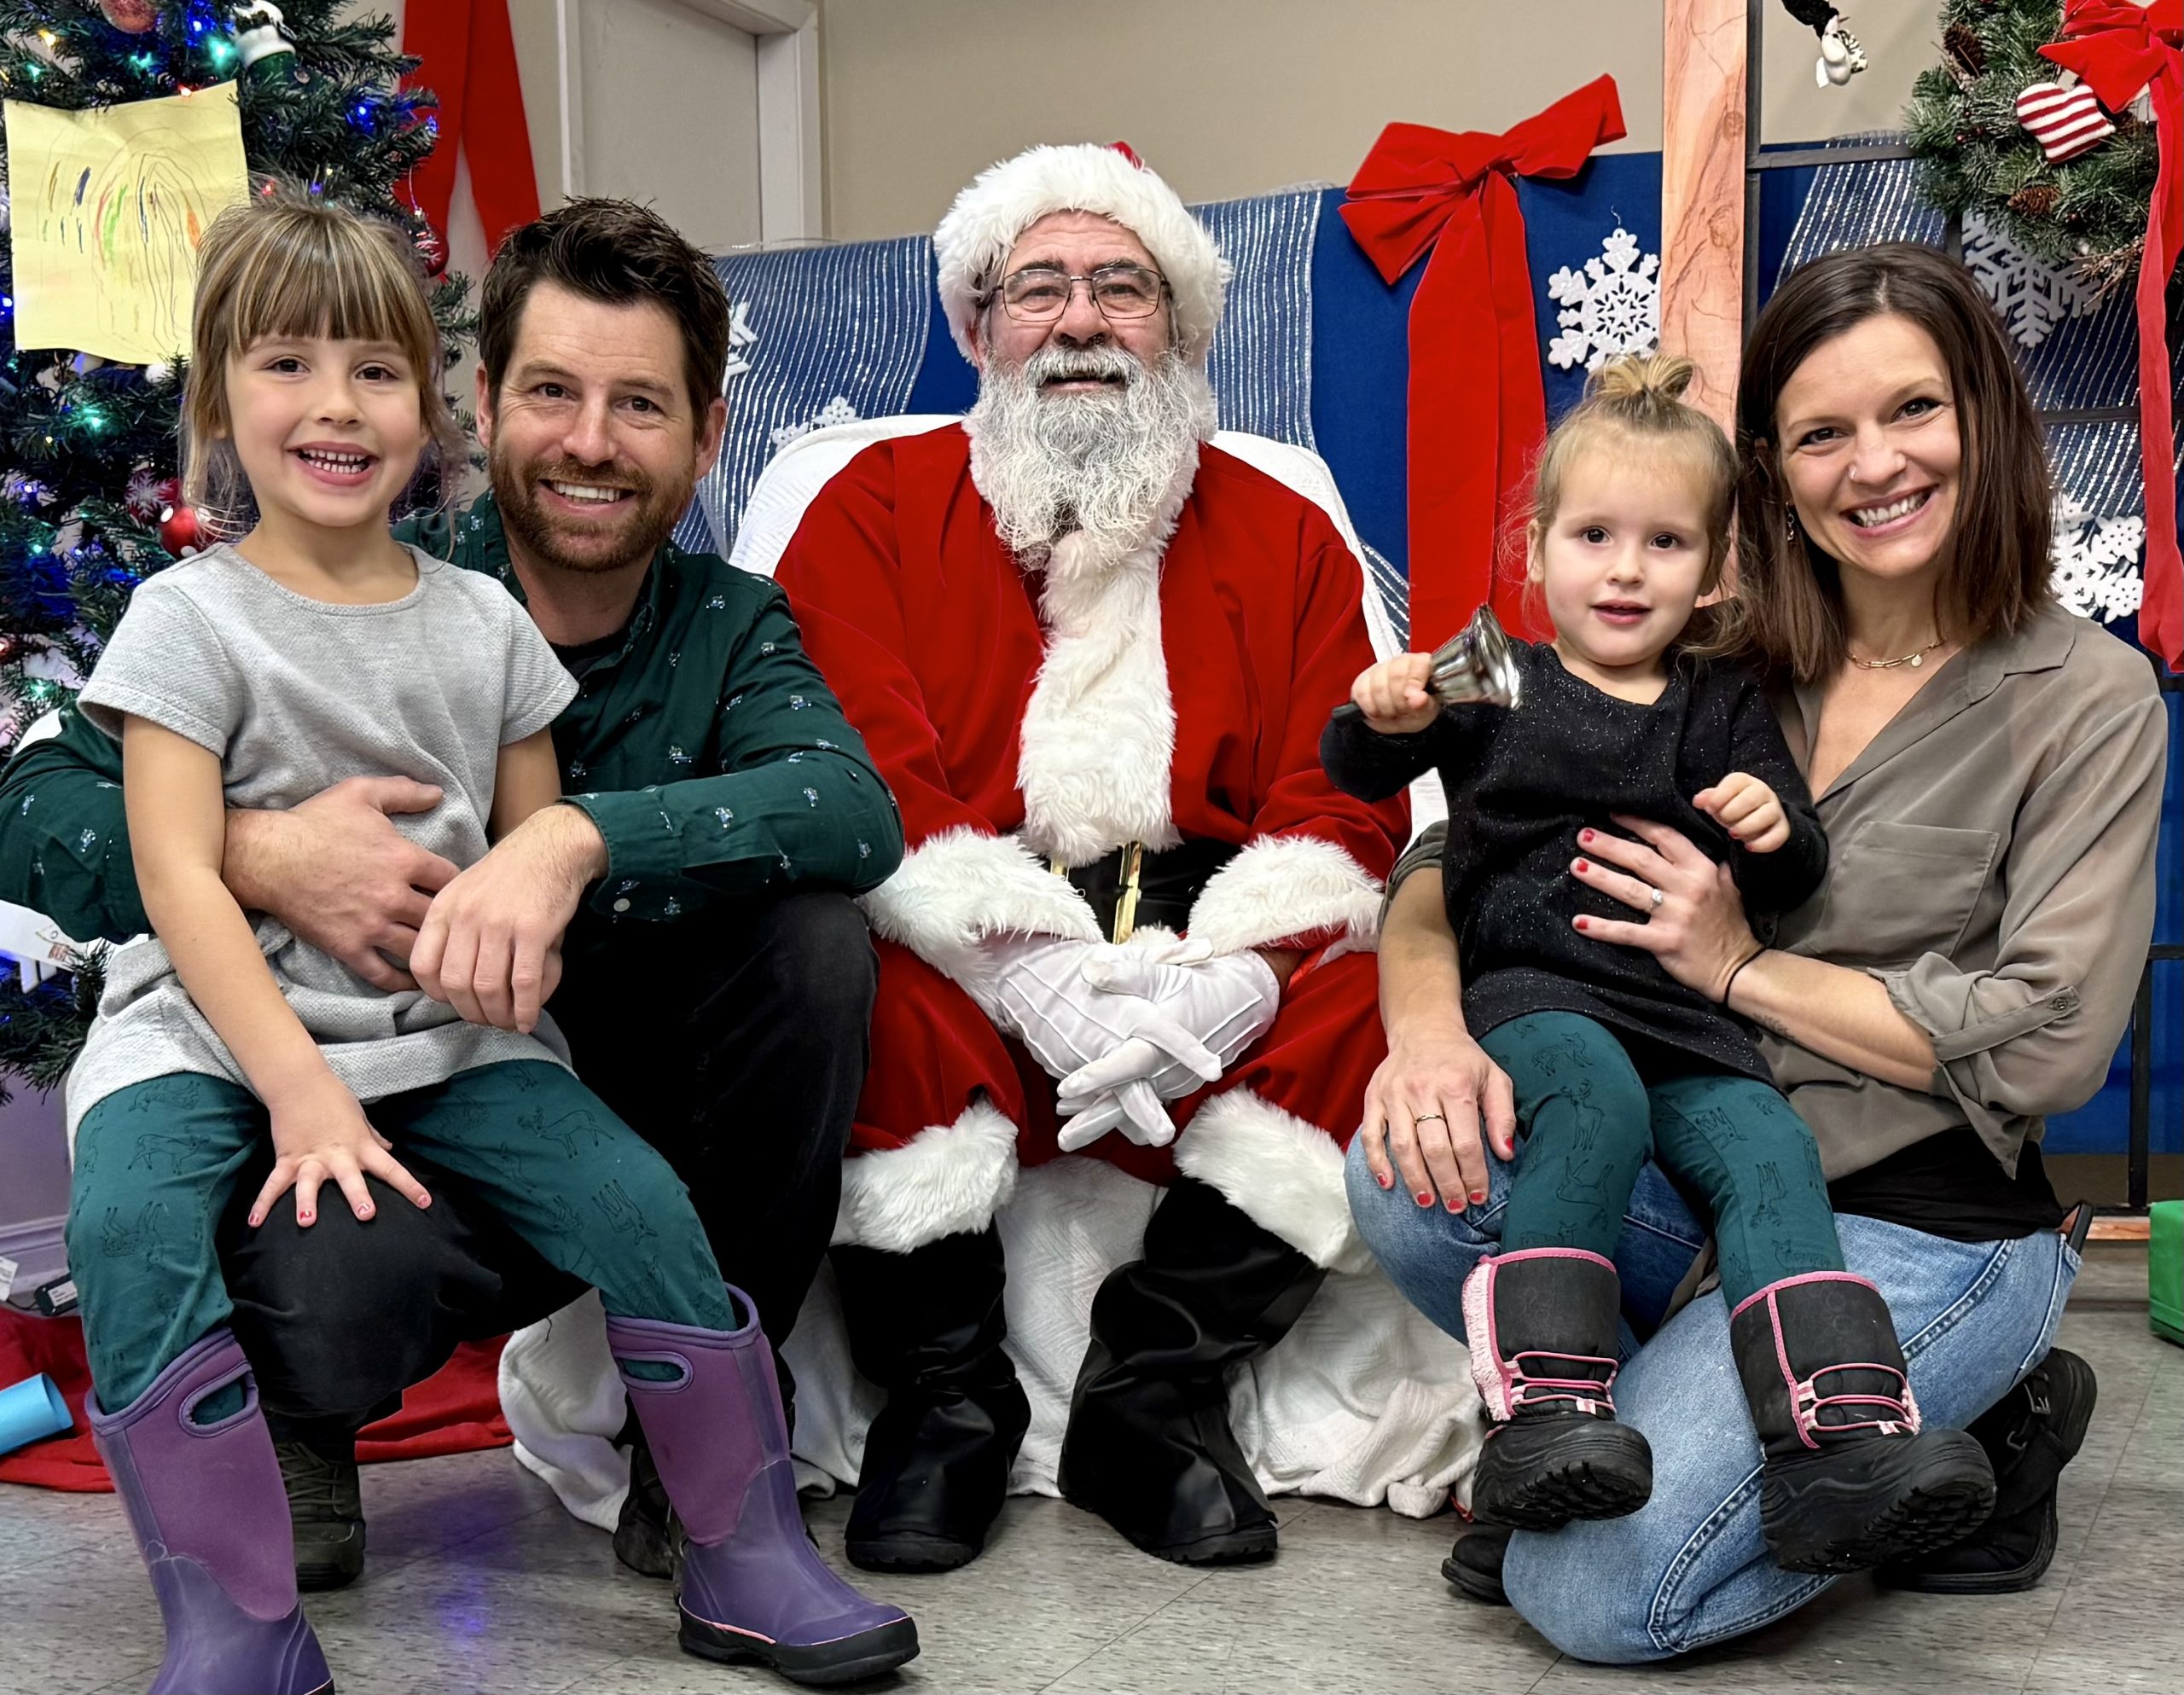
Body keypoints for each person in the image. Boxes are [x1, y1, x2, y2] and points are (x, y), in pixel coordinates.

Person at [61, 195, 915, 1695]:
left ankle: (740, 1543)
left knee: (650, 1182)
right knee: (138, 1220)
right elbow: (132, 851)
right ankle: (237, 1618)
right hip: (226, 1033)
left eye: (372, 371)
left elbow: (707, 826)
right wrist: (282, 967)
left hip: (456, 1038)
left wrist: (559, 872)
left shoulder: (524, 626)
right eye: (286, 367)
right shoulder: (185, 620)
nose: (335, 406)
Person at [1346, 242, 2163, 1657]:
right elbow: (1452, 855)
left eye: (1915, 409)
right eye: (1823, 433)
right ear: (1773, 475)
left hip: (1921, 1213)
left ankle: (1983, 1409)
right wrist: (1425, 1033)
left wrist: (1739, 969)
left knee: (1592, 1598)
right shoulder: (1701, 647)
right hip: (1696, 1168)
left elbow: (2050, 1042)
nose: (1876, 464)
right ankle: (1630, 1416)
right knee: (1419, 1177)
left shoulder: (2086, 694)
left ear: (1985, 416)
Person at [771, 142, 1408, 1572]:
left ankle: (1154, 1396)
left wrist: (1246, 973)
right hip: (971, 964)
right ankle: (947, 1398)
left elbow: (1344, 786)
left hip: (1207, 963)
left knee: (1388, 992)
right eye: (1038, 288)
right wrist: (1021, 962)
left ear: (1179, 328)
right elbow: (853, 759)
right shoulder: (872, 506)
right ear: (977, 327)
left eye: (1123, 288)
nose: (1078, 323)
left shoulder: (1287, 532)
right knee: (842, 976)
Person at [1324, 353, 1993, 1571]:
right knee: (1593, 1100)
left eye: (1666, 544)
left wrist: (1770, 827)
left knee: (1770, 1146)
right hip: (1539, 991)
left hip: (1686, 1016)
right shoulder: (1499, 676)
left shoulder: (1718, 703)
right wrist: (1382, 712)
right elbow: (1366, 767)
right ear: (1537, 554)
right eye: (1594, 537)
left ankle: (1836, 1443)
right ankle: (1544, 1411)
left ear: (1713, 569)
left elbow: (1792, 870)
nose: (1626, 570)